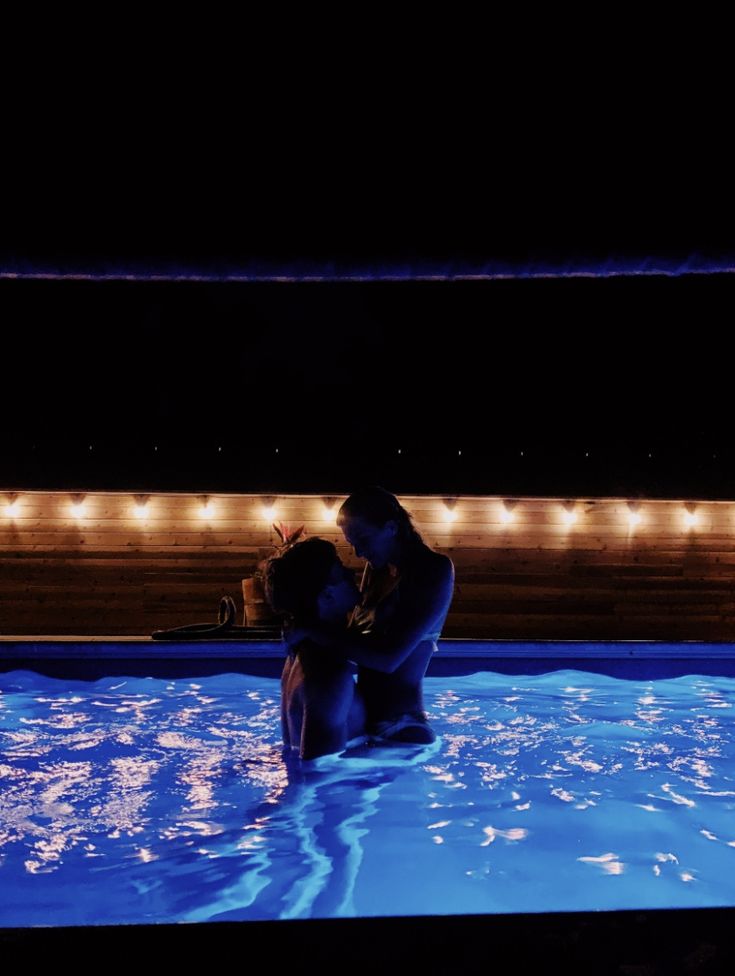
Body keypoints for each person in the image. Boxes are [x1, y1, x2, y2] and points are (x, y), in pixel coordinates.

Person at [285, 486, 455, 744]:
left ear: (391, 527)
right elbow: (354, 641)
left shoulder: (433, 570)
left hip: (400, 725)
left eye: (364, 540)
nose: (358, 553)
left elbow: (388, 659)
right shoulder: (376, 570)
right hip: (364, 723)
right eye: (352, 544)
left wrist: (312, 629)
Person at [265, 537, 367, 760]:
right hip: (337, 793)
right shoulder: (329, 674)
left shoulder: (299, 657)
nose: (352, 574)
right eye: (341, 571)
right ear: (327, 595)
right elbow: (317, 771)